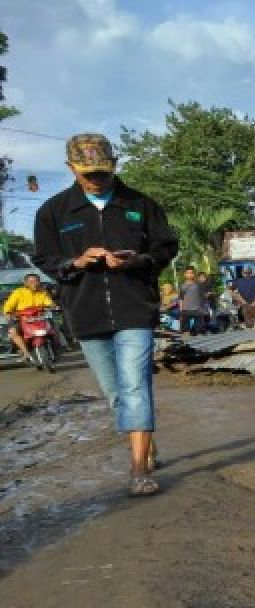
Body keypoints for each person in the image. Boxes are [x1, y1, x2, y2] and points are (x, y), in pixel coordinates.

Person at [33, 132, 178, 497]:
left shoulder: (141, 205)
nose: (96, 179)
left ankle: (138, 469)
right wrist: (74, 262)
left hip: (134, 308)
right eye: (87, 173)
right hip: (86, 312)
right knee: (115, 393)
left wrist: (138, 259)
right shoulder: (53, 212)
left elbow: (165, 248)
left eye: (101, 171)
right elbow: (45, 259)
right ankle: (145, 443)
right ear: (71, 168)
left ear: (114, 164)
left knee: (135, 385)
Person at [3, 272, 55, 364]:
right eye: (31, 282)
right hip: (22, 318)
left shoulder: (42, 292)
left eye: (37, 281)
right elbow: (9, 305)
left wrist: (52, 306)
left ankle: (57, 348)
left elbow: (49, 302)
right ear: (26, 283)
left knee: (54, 328)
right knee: (13, 332)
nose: (35, 284)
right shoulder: (18, 292)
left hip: (39, 318)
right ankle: (26, 353)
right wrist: (8, 312)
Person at [178, 267, 206, 335]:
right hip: (186, 311)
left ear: (194, 274)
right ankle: (186, 344)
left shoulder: (199, 285)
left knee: (199, 331)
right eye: (188, 273)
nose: (190, 275)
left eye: (191, 273)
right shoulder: (182, 286)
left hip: (197, 310)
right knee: (185, 331)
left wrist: (202, 310)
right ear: (185, 274)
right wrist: (181, 311)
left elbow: (202, 297)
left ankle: (200, 344)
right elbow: (181, 299)